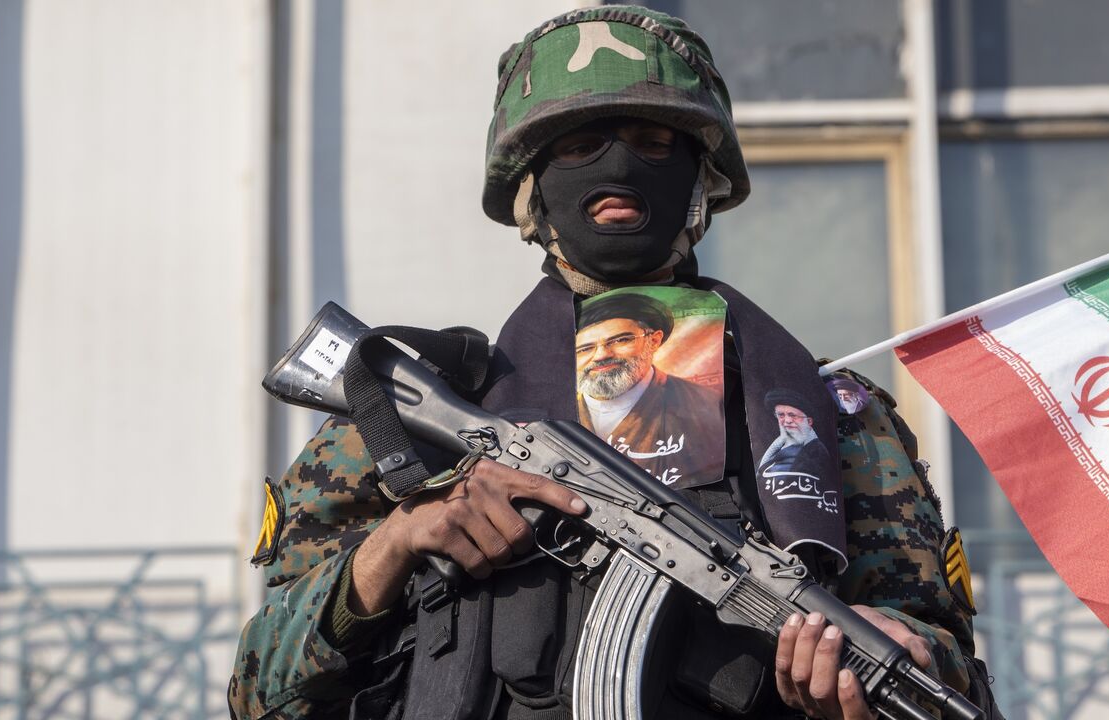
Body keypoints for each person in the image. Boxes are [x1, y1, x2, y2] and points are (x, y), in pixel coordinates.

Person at [229, 6, 999, 720]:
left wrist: (894, 650)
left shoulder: (823, 416)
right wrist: (397, 542)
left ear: (704, 180)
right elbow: (257, 692)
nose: (620, 171)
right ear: (531, 188)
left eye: (656, 143)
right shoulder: (407, 420)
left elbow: (945, 667)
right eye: (578, 146)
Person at [575, 292, 724, 486]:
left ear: (653, 340)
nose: (601, 355)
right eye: (585, 349)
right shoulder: (555, 409)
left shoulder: (707, 405)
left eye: (621, 340)